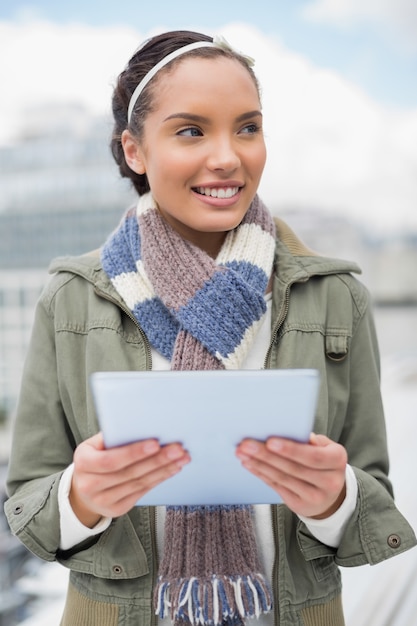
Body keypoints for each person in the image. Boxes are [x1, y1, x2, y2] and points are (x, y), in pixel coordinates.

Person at [4, 29, 416, 626]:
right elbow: (28, 506)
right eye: (191, 130)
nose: (228, 156)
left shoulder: (334, 297)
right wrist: (81, 498)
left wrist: (336, 498)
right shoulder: (73, 298)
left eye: (247, 127)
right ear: (135, 150)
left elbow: (373, 504)